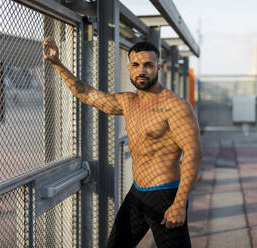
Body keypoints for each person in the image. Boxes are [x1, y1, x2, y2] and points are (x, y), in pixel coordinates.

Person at [43, 37, 202, 248]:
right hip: (137, 194)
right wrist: (58, 64)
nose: (141, 70)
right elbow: (88, 94)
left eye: (148, 65)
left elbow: (193, 153)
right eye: (136, 65)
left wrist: (179, 204)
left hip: (166, 196)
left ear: (158, 67)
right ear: (129, 68)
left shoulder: (174, 106)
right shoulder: (128, 102)